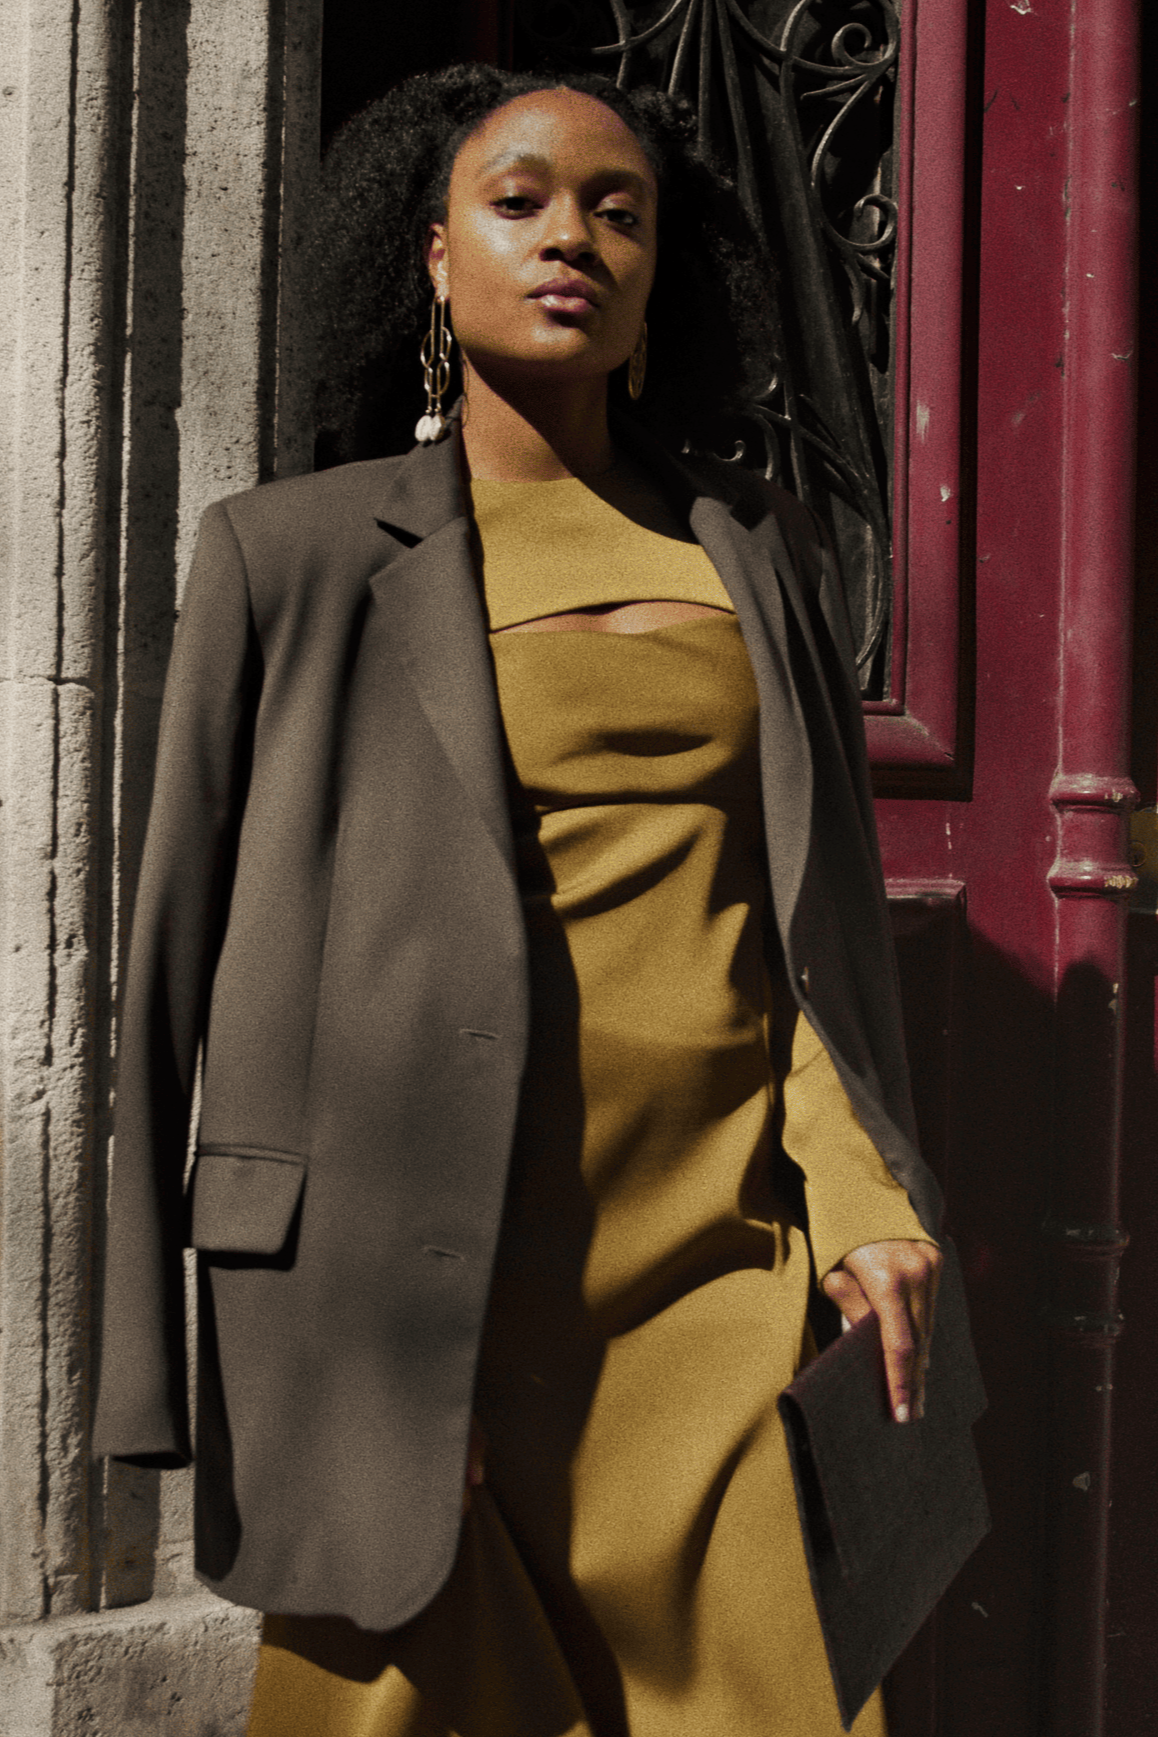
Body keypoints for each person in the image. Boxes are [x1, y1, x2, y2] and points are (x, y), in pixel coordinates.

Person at [94, 63, 949, 1737]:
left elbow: (808, 937)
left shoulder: (751, 546)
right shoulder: (292, 556)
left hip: (713, 1269)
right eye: (523, 201)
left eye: (618, 213)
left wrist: (863, 1200)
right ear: (431, 254)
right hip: (406, 1293)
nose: (575, 238)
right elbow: (169, 965)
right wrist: (157, 1354)